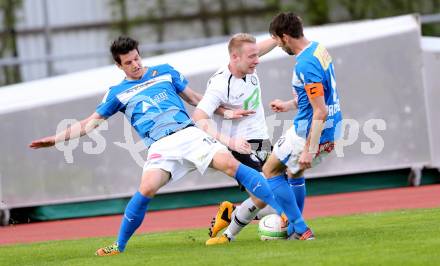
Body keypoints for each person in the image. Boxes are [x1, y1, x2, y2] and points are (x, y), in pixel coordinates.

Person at [29, 36, 284, 256]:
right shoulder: (117, 93)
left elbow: (195, 98)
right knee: (147, 188)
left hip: (188, 133)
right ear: (118, 65)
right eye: (128, 62)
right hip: (160, 146)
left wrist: (226, 112)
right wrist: (55, 139)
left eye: (137, 58)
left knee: (231, 164)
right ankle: (118, 245)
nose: (136, 64)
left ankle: (287, 217)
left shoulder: (164, 71)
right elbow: (89, 124)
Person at [192, 33, 282, 245]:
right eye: (252, 56)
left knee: (280, 197)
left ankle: (230, 212)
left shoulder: (248, 64)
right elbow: (199, 117)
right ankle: (227, 236)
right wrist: (230, 143)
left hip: (262, 141)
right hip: (240, 146)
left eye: (256, 55)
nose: (257, 60)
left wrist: (281, 37)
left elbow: (261, 48)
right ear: (235, 57)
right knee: (268, 198)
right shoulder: (221, 83)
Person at [263, 12, 343, 240]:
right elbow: (318, 95)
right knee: (294, 172)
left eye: (277, 40)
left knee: (270, 171)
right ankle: (294, 230)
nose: (278, 45)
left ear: (285, 37)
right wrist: (288, 105)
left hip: (308, 130)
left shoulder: (305, 64)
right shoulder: (319, 49)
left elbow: (320, 109)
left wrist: (310, 147)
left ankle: (300, 227)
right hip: (333, 126)